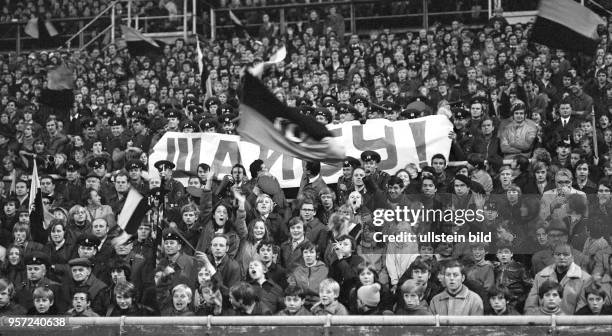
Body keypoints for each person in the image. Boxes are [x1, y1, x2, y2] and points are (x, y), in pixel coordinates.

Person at [525, 243, 592, 315]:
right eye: (558, 254)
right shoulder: (540, 276)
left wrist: (571, 324)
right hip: (544, 323)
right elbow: (530, 305)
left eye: (566, 254)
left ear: (572, 257)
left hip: (571, 324)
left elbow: (582, 309)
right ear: (553, 257)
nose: (562, 257)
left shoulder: (585, 279)